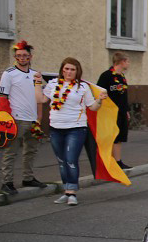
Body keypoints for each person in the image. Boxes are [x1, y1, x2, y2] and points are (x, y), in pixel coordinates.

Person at [37, 57, 107, 205]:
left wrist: (100, 99)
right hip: (56, 128)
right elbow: (41, 99)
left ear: (77, 71)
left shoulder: (82, 87)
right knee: (62, 161)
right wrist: (37, 83)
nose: (69, 72)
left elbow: (92, 107)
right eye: (66, 69)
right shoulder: (53, 84)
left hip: (76, 128)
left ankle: (72, 192)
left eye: (72, 69)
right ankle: (66, 190)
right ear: (62, 70)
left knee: (71, 160)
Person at [0, 41, 47, 193]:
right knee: (11, 152)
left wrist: (39, 117)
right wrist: (7, 119)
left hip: (32, 120)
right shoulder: (9, 73)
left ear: (30, 56)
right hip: (16, 119)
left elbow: (39, 97)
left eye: (25, 55)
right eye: (19, 55)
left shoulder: (35, 75)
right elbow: (2, 98)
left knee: (31, 150)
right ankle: (7, 182)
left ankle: (28, 178)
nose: (22, 58)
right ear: (15, 56)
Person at [97, 51, 131, 169]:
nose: (129, 64)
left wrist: (126, 110)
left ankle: (118, 161)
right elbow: (98, 91)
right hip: (109, 112)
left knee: (119, 137)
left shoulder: (122, 77)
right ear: (122, 62)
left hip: (121, 111)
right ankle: (106, 161)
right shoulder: (106, 76)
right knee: (111, 137)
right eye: (127, 61)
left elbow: (124, 95)